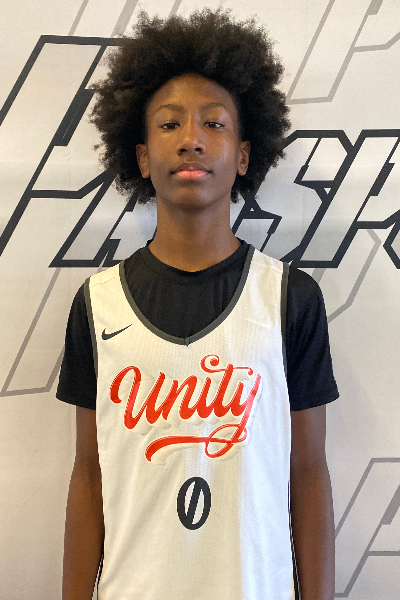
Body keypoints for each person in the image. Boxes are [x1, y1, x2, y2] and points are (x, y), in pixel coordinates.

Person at [57, 8, 339, 600]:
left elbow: (308, 475)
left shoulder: (289, 298)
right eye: (169, 124)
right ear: (140, 157)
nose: (191, 138)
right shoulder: (97, 304)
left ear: (243, 155)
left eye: (214, 122)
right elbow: (89, 477)